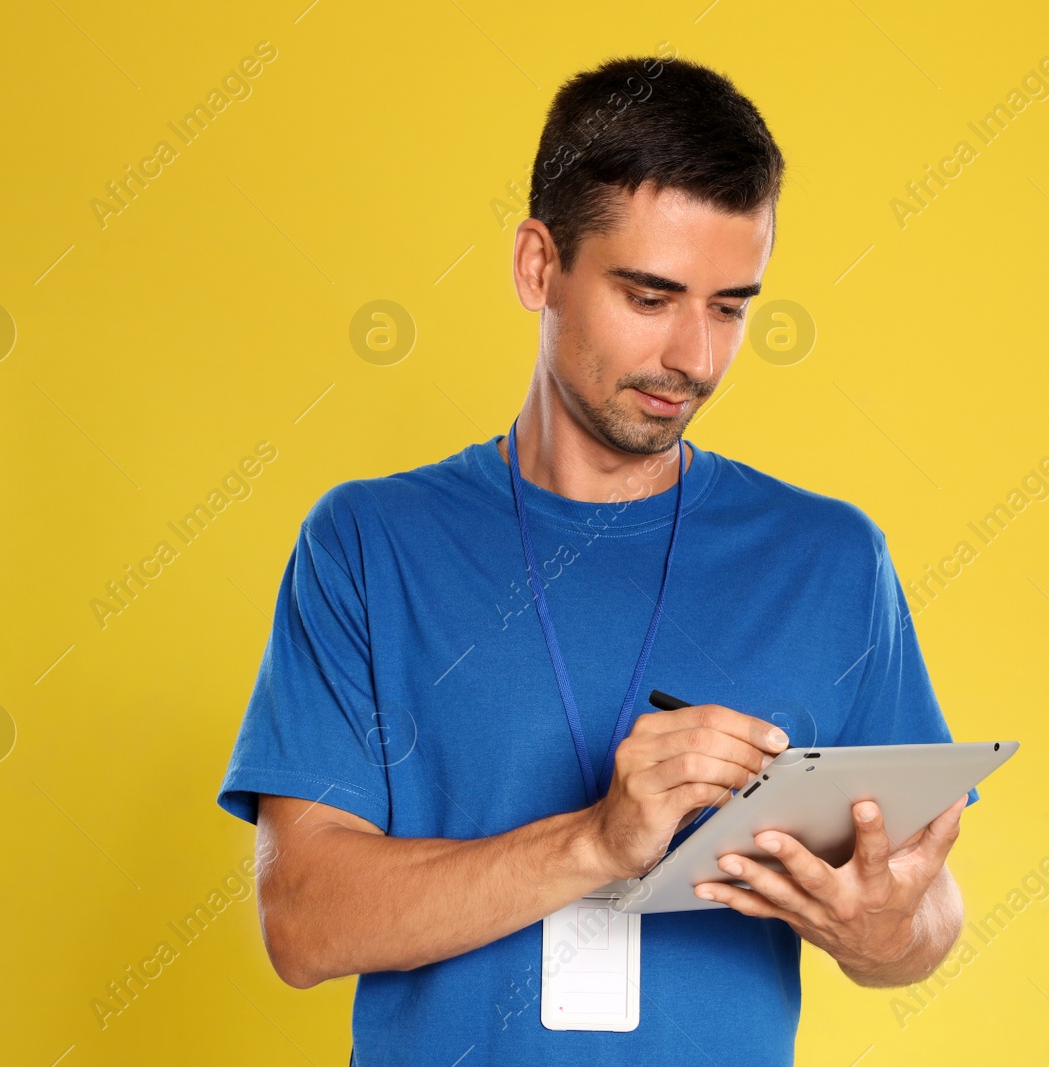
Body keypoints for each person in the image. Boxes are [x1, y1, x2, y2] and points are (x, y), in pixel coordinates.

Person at [217, 52, 977, 1066]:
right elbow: (304, 920)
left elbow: (922, 919)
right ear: (538, 265)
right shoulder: (367, 543)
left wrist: (885, 930)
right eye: (650, 295)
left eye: (730, 306)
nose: (694, 359)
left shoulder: (830, 559)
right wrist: (595, 841)